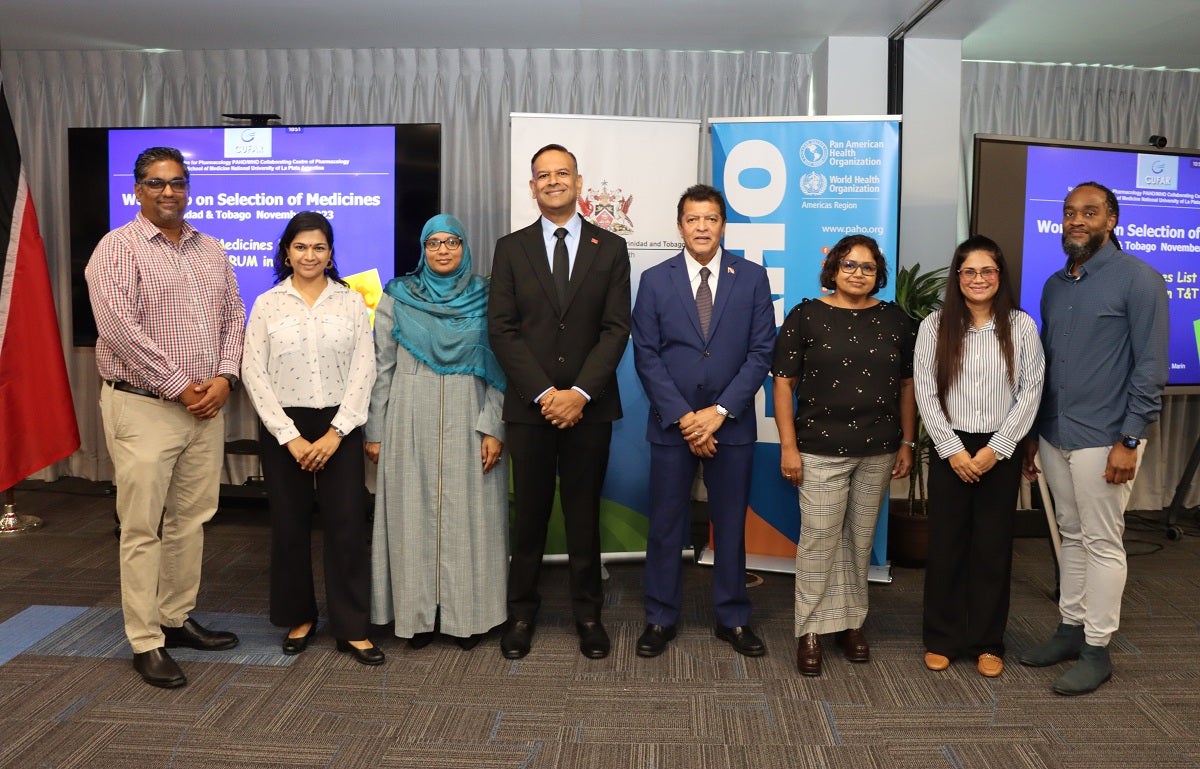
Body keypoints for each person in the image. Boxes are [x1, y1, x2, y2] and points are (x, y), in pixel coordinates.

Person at [85, 146, 245, 688]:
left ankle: (175, 618)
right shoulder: (116, 249)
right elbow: (119, 329)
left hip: (206, 408)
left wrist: (225, 377)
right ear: (138, 190)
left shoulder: (211, 248)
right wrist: (180, 386)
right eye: (156, 183)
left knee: (191, 520)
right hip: (144, 406)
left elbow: (234, 317)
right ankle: (145, 639)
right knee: (141, 526)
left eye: (177, 182)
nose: (169, 192)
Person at [1019, 181, 1168, 695]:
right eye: (1069, 212)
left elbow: (1150, 367)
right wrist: (1034, 433)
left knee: (1102, 542)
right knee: (1071, 534)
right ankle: (1069, 629)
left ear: (1111, 220)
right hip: (1056, 433)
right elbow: (1047, 366)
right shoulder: (1055, 285)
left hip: (1107, 437)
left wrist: (1130, 439)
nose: (1076, 220)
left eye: (1089, 212)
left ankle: (1097, 649)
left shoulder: (1140, 279)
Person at [487, 143, 631, 660]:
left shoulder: (610, 248)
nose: (553, 181)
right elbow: (502, 330)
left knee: (583, 515)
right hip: (531, 409)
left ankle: (588, 616)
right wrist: (548, 394)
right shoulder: (511, 248)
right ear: (532, 187)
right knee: (528, 517)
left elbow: (616, 329)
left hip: (591, 408)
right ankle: (521, 614)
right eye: (543, 175)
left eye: (562, 173)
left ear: (578, 182)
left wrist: (580, 393)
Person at [631, 184, 775, 658]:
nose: (702, 227)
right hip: (672, 424)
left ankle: (733, 618)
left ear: (723, 225)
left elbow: (761, 352)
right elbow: (646, 354)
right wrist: (685, 418)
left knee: (730, 525)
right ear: (680, 226)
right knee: (665, 525)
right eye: (693, 219)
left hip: (730, 424)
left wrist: (718, 412)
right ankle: (660, 617)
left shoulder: (751, 277)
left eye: (711, 219)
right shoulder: (655, 280)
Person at [241, 211, 382, 666]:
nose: (309, 255)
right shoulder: (267, 304)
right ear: (287, 252)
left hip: (341, 425)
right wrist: (290, 437)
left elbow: (365, 367)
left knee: (347, 526)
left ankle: (352, 626)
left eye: (319, 247)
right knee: (289, 527)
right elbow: (253, 372)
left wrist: (337, 432)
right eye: (300, 247)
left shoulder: (351, 302)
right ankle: (299, 617)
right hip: (285, 427)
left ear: (330, 254)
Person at [771, 234, 916, 677]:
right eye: (849, 264)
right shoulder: (805, 316)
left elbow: (907, 385)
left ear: (878, 274)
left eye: (868, 267)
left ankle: (851, 623)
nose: (858, 273)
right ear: (833, 269)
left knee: (858, 540)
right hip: (818, 449)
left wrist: (908, 442)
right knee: (819, 541)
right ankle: (811, 629)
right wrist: (789, 446)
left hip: (878, 449)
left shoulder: (895, 320)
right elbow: (783, 383)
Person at [366, 214, 508, 651]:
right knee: (412, 519)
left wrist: (494, 426)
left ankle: (468, 617)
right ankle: (418, 617)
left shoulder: (488, 296)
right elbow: (382, 366)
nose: (443, 250)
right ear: (423, 250)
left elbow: (503, 367)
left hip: (471, 418)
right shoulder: (398, 295)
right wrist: (375, 430)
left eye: (452, 242)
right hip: (408, 416)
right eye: (434, 243)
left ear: (465, 247)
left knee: (471, 521)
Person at [914, 235, 1044, 678]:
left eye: (987, 270)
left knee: (992, 548)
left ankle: (988, 642)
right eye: (969, 271)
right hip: (950, 446)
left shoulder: (1021, 326)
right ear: (958, 277)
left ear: (999, 276)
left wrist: (998, 449)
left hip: (999, 449)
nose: (978, 278)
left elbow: (1031, 391)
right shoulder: (934, 326)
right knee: (946, 545)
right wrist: (952, 450)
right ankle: (942, 638)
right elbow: (925, 391)